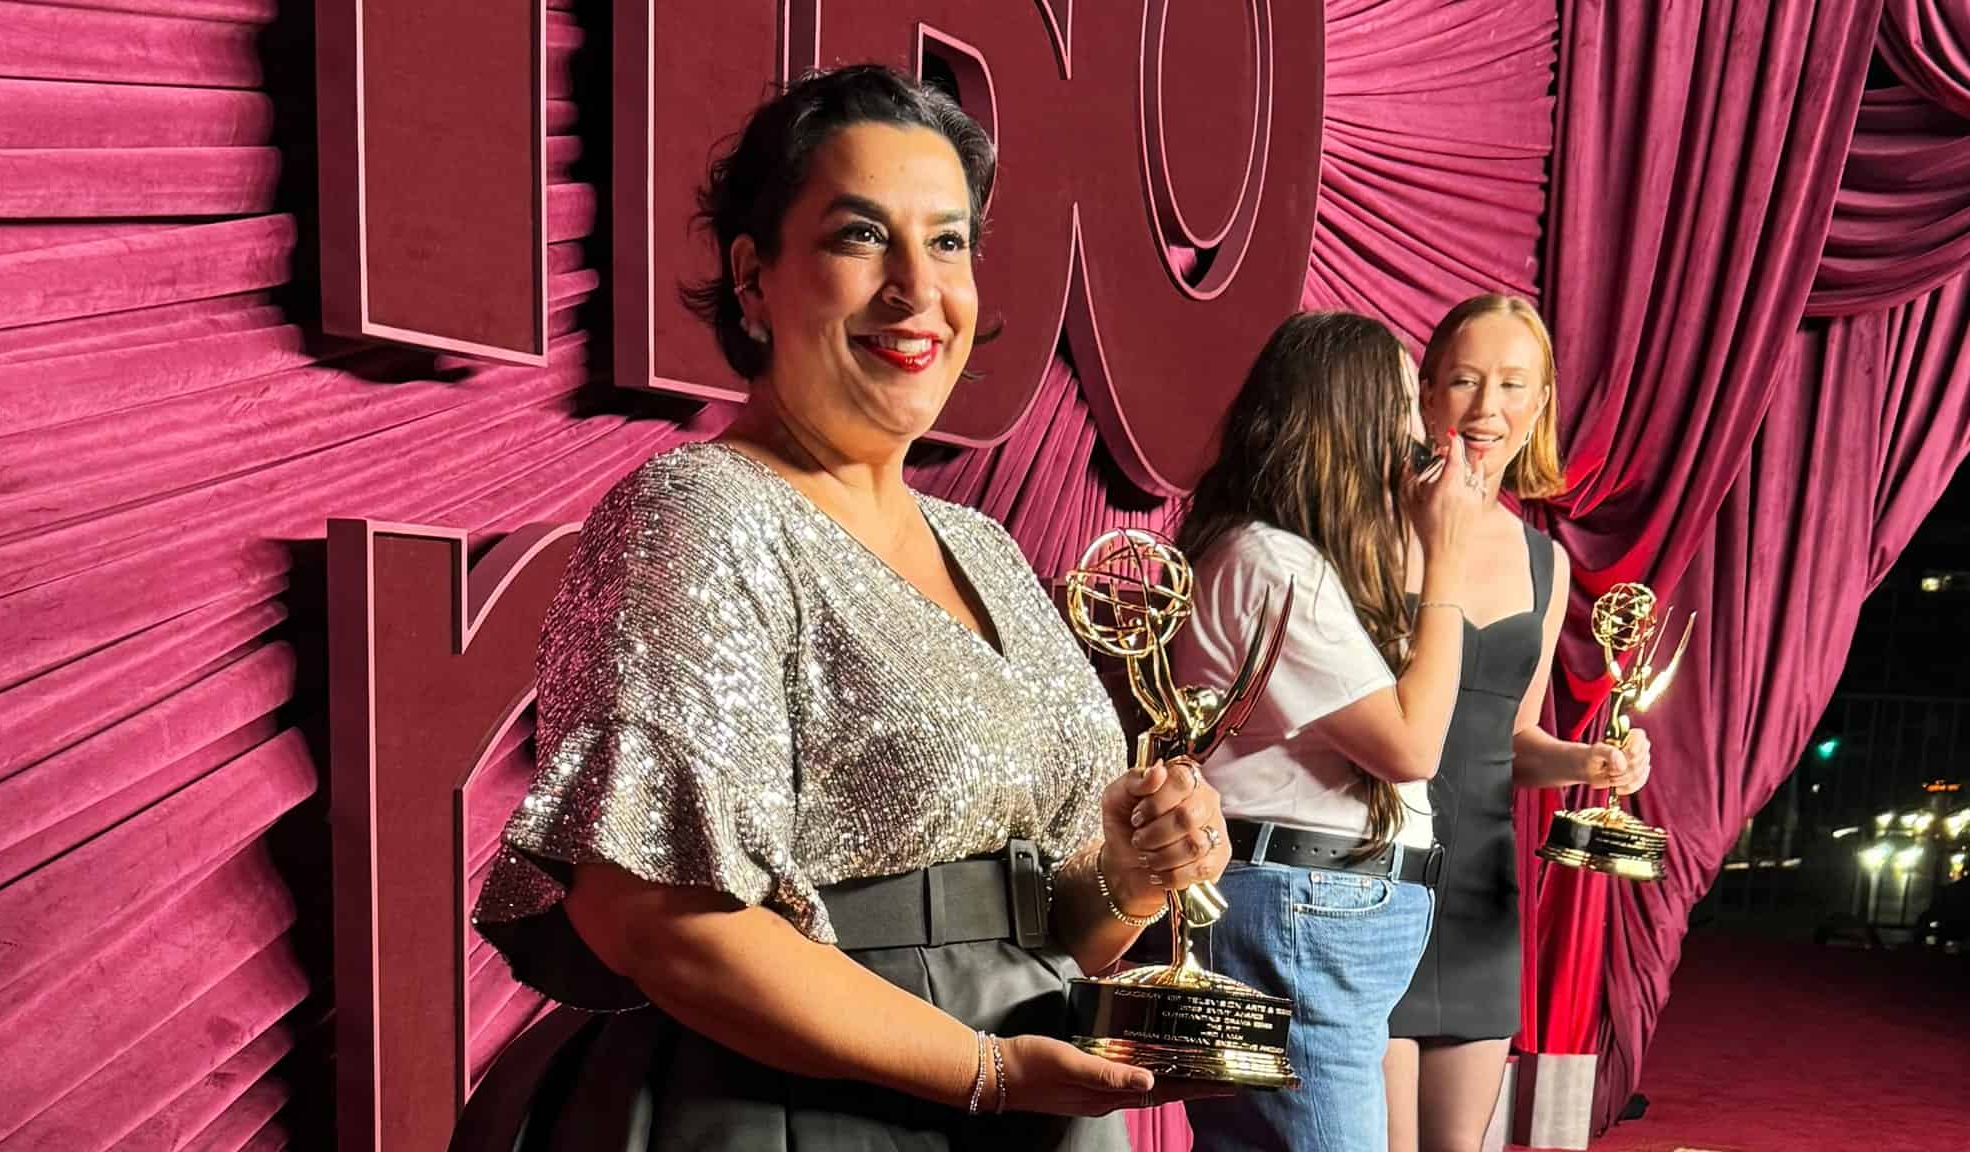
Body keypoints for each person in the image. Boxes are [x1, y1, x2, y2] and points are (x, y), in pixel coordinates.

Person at [469, 64, 1234, 1151]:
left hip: (1023, 1101)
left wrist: (1129, 876)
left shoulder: (985, 548)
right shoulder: (700, 511)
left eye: (949, 241)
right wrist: (981, 1071)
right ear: (753, 276)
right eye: (860, 237)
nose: (916, 290)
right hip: (801, 1107)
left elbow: (1049, 935)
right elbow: (648, 914)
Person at [1174, 311, 1497, 1151]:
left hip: (1315, 911)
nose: (1418, 432)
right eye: (1398, 405)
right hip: (1299, 914)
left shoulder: (1291, 557)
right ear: (1346, 417)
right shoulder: (1269, 563)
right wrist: (1450, 559)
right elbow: (1411, 746)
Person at [1382, 293, 1652, 1152]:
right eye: (1464, 380)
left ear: (1539, 406)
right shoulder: (1371, 525)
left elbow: (1515, 742)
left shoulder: (1547, 563)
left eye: (1511, 385)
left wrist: (1590, 762)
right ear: (1427, 394)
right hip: (1369, 878)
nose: (1486, 408)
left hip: (1480, 895)